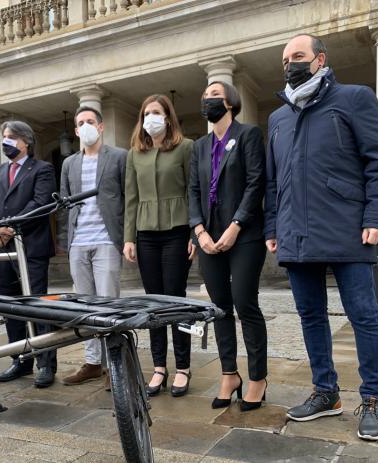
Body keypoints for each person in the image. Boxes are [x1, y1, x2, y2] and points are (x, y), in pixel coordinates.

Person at [264, 34, 378, 441]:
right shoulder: (277, 118)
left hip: (348, 229)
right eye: (285, 59)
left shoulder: (355, 98)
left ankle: (373, 399)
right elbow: (273, 181)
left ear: (320, 60)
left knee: (364, 315)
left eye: (299, 57)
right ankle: (326, 392)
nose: (291, 64)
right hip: (295, 233)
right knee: (311, 317)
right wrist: (272, 226)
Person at [189, 81, 268, 411]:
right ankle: (228, 374)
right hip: (208, 238)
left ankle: (258, 378)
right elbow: (192, 189)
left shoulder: (248, 135)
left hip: (244, 235)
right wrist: (198, 231)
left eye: (214, 97)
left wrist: (236, 226)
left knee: (244, 303)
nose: (208, 101)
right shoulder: (199, 146)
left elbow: (255, 183)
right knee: (219, 307)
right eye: (205, 96)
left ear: (231, 103)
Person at [124, 94, 195, 397]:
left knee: (176, 300)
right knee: (152, 303)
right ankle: (159, 367)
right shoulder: (134, 154)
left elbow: (195, 192)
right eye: (145, 113)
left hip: (178, 230)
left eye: (156, 112)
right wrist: (129, 237)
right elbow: (131, 198)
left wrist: (196, 232)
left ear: (168, 117)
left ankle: (183, 367)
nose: (150, 117)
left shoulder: (186, 147)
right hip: (146, 235)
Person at [0, 120, 57, 388]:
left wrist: (11, 226)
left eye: (10, 137)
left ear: (26, 141)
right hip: (1, 249)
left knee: (36, 306)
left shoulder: (42, 169)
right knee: (10, 307)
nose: (5, 142)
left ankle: (45, 362)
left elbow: (40, 203)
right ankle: (20, 359)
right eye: (4, 137)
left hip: (30, 247)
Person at [60, 106, 127, 389]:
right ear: (76, 131)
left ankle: (115, 366)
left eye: (90, 121)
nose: (85, 126)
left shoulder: (119, 157)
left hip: (106, 241)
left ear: (100, 127)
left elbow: (127, 197)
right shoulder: (69, 164)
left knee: (109, 305)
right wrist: (66, 241)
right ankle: (92, 363)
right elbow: (65, 204)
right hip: (79, 242)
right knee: (84, 306)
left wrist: (125, 238)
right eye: (80, 123)